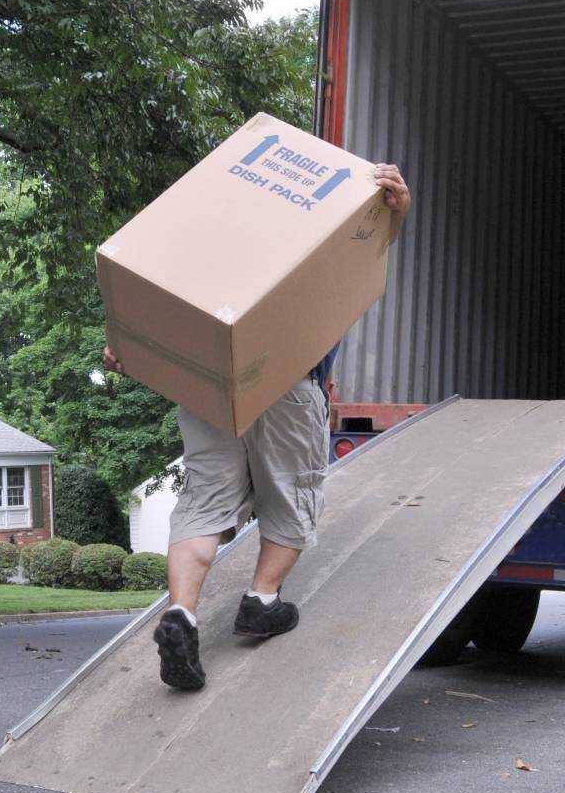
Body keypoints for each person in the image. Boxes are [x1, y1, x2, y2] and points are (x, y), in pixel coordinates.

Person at [103, 164, 411, 690]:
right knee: (293, 495)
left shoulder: (201, 246)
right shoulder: (305, 252)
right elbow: (362, 251)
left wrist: (134, 349)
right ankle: (261, 602)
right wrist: (395, 210)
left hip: (205, 379)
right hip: (287, 378)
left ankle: (181, 614)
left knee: (203, 502)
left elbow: (149, 303)